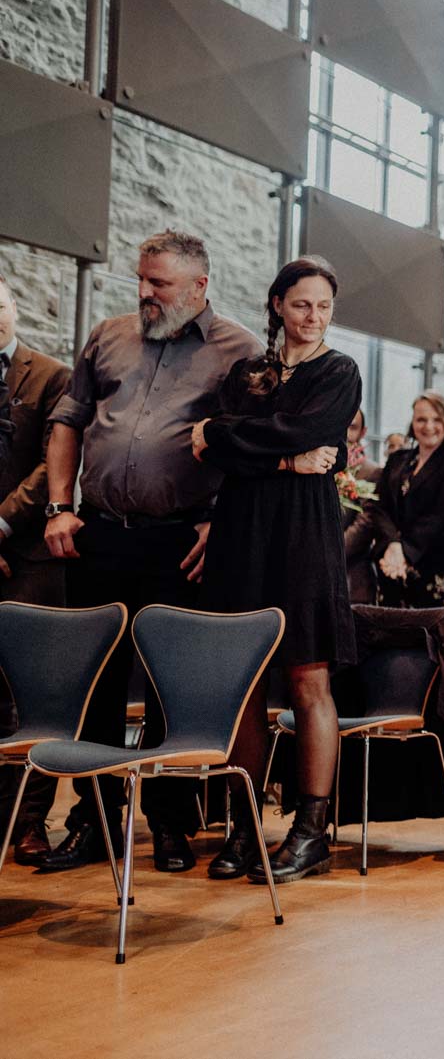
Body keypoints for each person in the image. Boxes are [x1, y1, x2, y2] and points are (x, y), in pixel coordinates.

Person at [40, 230, 261, 873]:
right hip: (99, 534)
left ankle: (168, 824)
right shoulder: (109, 336)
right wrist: (58, 507)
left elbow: (250, 450)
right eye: (141, 279)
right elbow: (68, 421)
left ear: (199, 286)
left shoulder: (238, 351)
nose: (144, 293)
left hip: (180, 542)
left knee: (171, 689)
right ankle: (96, 819)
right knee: (94, 687)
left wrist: (220, 522)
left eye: (159, 283)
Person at [190, 255, 361, 882]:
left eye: (323, 306)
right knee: (245, 693)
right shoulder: (245, 372)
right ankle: (242, 825)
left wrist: (233, 436)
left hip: (304, 536)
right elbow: (215, 445)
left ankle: (310, 833)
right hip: (241, 533)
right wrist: (282, 458)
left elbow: (308, 429)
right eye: (301, 305)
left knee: (308, 682)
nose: (313, 317)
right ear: (277, 305)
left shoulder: (339, 370)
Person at [0, 272, 71, 866]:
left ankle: (29, 823)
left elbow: (54, 462)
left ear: (14, 306)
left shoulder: (50, 375)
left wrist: (1, 523)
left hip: (29, 556)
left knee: (36, 692)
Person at [370, 391, 444, 608]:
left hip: (433, 564)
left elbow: (442, 515)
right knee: (385, 633)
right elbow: (378, 506)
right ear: (412, 423)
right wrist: (393, 545)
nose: (429, 426)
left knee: (428, 637)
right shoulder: (398, 459)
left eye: (436, 420)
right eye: (421, 419)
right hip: (391, 563)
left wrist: (404, 551)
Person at [341, 407, 383, 604]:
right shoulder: (316, 467)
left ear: (362, 432)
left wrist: (329, 552)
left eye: (351, 427)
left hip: (352, 574)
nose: (344, 433)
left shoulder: (372, 472)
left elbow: (365, 524)